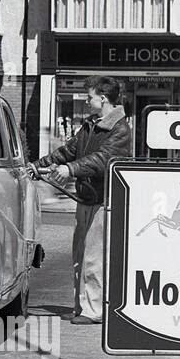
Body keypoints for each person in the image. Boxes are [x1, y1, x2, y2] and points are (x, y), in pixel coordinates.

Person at [32, 77, 132, 324]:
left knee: (95, 257)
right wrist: (38, 164)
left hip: (104, 200)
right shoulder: (91, 125)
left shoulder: (120, 129)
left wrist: (71, 169)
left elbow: (103, 159)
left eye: (90, 97)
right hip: (86, 197)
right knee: (80, 255)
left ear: (103, 98)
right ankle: (80, 306)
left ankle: (94, 310)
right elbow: (68, 150)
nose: (87, 101)